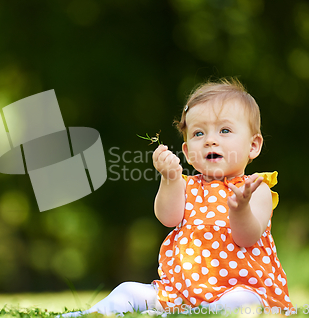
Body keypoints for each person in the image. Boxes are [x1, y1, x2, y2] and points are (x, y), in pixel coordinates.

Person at [61, 78, 293, 317]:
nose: (210, 140)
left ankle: (198, 313)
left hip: (241, 287)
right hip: (181, 291)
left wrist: (240, 209)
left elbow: (247, 238)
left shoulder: (255, 188)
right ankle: (93, 314)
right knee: (128, 290)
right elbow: (168, 218)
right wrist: (170, 178)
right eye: (198, 133)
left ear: (253, 146)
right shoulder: (186, 185)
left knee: (242, 302)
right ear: (187, 153)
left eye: (224, 130)